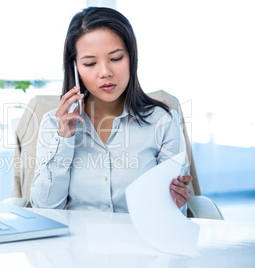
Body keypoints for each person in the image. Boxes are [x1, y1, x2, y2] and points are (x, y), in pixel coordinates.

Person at [30, 7, 192, 213]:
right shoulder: (52, 125)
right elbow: (45, 208)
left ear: (132, 58)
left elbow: (171, 216)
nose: (105, 73)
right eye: (90, 63)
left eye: (116, 59)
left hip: (138, 243)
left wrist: (176, 203)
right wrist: (63, 139)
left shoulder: (163, 121)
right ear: (75, 68)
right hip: (75, 244)